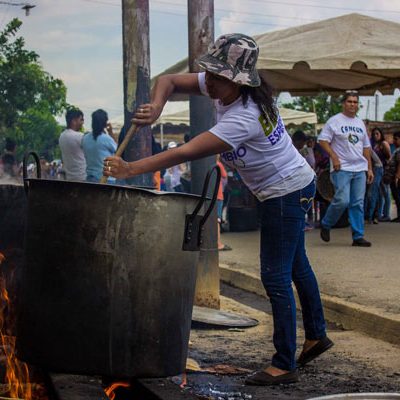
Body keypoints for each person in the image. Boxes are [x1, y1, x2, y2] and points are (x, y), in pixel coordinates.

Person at [103, 33, 332, 386]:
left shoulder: (245, 116)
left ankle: (284, 362)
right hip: (292, 184)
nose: (207, 82)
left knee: (275, 275)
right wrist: (158, 106)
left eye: (217, 78)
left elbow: (185, 152)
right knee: (297, 265)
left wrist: (130, 170)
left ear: (237, 82)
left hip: (285, 191)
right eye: (207, 74)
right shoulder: (222, 86)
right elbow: (168, 80)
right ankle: (316, 334)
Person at [318, 91, 373, 247]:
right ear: (343, 103)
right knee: (342, 200)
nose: (352, 104)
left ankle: (358, 236)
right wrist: (334, 157)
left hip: (359, 168)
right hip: (341, 167)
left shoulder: (360, 123)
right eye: (349, 101)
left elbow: (366, 147)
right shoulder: (334, 121)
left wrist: (369, 168)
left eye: (355, 102)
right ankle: (326, 224)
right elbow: (322, 141)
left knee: (358, 203)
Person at [82, 109, 117, 183]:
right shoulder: (106, 138)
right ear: (105, 123)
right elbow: (118, 150)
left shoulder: (85, 138)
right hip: (106, 178)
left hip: (90, 178)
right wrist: (110, 132)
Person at [59, 109, 86, 181]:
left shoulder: (62, 136)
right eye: (81, 120)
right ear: (74, 121)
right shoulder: (79, 136)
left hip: (70, 178)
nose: (83, 122)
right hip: (83, 177)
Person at [371, 127, 392, 222]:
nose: (375, 136)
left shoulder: (384, 144)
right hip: (377, 170)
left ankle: (386, 214)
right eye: (374, 134)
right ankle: (379, 214)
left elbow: (389, 157)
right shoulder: (375, 145)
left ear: (381, 134)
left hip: (383, 170)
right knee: (380, 193)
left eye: (377, 134)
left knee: (386, 192)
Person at [383, 131, 400, 222]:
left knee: (398, 196)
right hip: (394, 177)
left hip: (396, 178)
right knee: (396, 197)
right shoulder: (397, 150)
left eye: (396, 139)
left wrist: (397, 176)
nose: (394, 141)